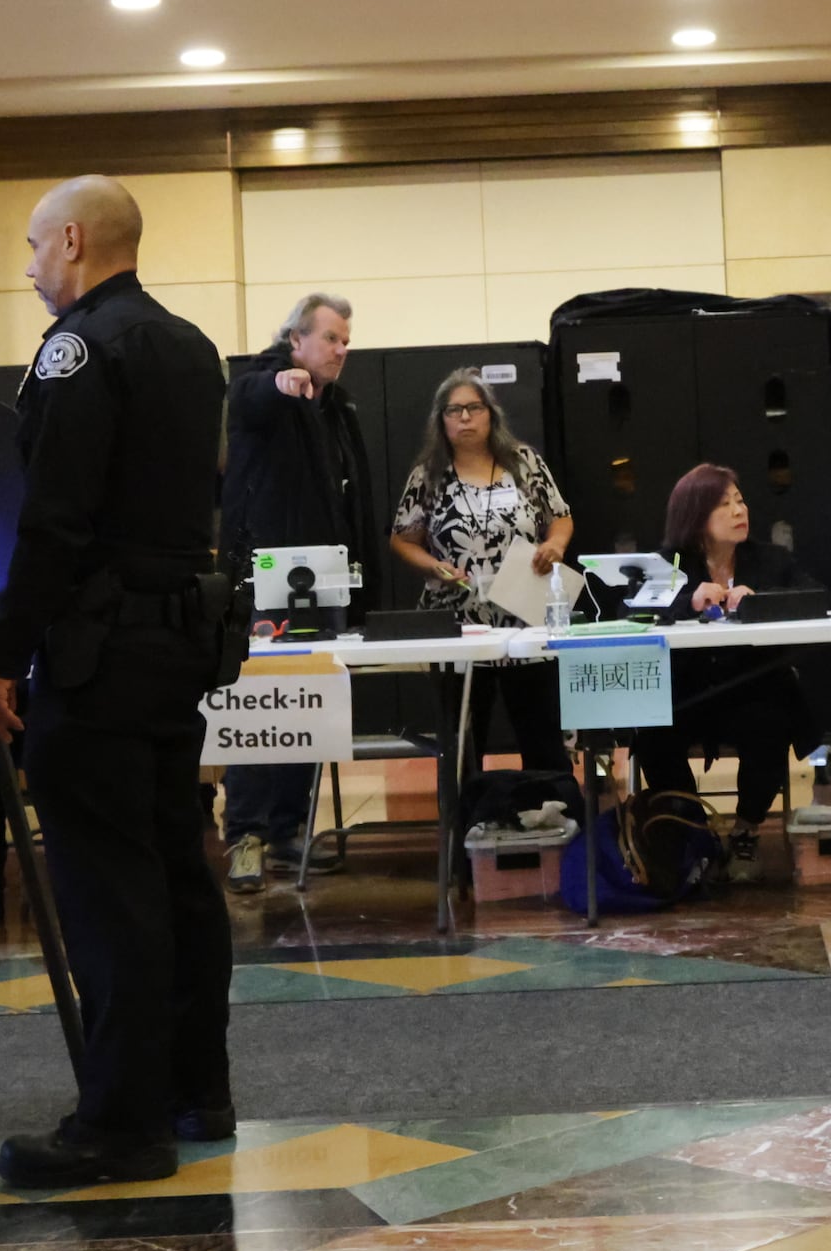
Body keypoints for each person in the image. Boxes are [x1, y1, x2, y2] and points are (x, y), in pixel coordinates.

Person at [0, 174, 237, 1187]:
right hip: (177, 642)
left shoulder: (78, 348)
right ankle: (195, 1089)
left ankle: (121, 1124)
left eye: (38, 247)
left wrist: (2, 656)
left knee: (107, 885)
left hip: (98, 651)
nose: (34, 267)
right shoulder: (189, 346)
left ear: (74, 240)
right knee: (177, 865)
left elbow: (53, 519)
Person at [217, 293, 375, 894]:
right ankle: (246, 837)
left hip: (324, 577)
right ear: (295, 341)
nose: (342, 350)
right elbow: (249, 397)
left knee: (308, 706)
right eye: (331, 338)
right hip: (266, 580)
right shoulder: (265, 385)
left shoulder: (338, 407)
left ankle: (286, 829)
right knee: (262, 709)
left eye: (345, 341)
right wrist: (280, 381)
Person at [384, 369, 577, 818]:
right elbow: (402, 539)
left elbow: (561, 517)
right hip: (458, 625)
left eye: (475, 408)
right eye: (455, 410)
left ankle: (552, 827)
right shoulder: (428, 475)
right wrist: (434, 565)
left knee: (541, 732)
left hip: (525, 619)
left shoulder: (524, 463)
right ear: (442, 420)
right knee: (464, 735)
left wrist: (554, 545)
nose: (466, 418)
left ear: (491, 415)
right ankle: (469, 833)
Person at [639, 463, 831, 862]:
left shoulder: (770, 559)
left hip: (751, 685)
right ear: (694, 517)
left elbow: (816, 597)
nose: (739, 511)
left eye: (740, 501)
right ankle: (694, 829)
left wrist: (759, 600)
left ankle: (747, 827)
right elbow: (632, 606)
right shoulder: (667, 563)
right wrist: (689, 600)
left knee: (771, 722)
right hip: (686, 690)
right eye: (723, 505)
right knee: (651, 733)